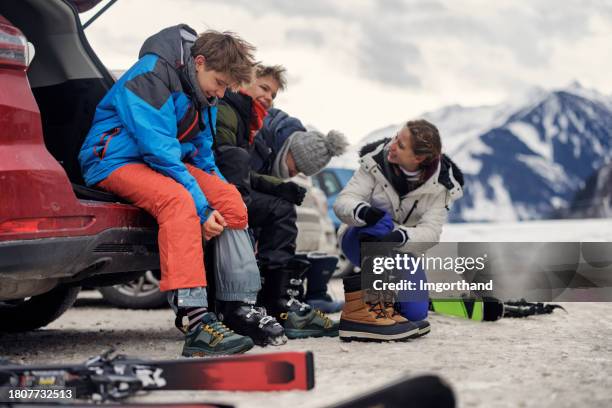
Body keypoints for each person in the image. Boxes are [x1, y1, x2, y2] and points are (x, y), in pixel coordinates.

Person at [78, 25, 284, 355]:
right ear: (199, 62)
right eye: (219, 83)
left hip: (161, 159)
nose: (220, 93)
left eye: (226, 88)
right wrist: (202, 208)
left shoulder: (205, 93)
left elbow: (202, 152)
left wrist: (216, 192)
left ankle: (237, 308)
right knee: (178, 202)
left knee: (231, 202)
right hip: (115, 159)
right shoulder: (152, 73)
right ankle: (195, 318)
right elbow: (157, 149)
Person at [213, 64, 348, 338]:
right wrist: (279, 188)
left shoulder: (252, 120)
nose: (268, 97)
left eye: (272, 94)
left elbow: (242, 174)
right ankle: (277, 302)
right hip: (214, 193)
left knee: (277, 212)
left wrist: (279, 187)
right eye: (263, 88)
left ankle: (279, 298)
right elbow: (232, 167)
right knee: (279, 210)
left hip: (222, 190)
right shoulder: (244, 120)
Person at [333, 119, 464, 342]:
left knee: (415, 315)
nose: (392, 145)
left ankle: (383, 302)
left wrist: (402, 235)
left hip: (400, 248)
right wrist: (363, 212)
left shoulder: (442, 185)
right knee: (381, 222)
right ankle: (367, 306)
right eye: (395, 137)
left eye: (401, 145)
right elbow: (344, 201)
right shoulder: (373, 162)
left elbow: (431, 232)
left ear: (418, 158)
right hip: (360, 238)